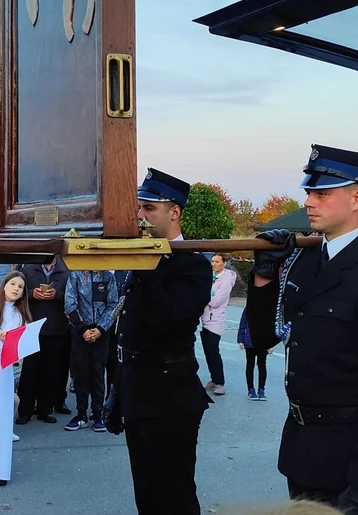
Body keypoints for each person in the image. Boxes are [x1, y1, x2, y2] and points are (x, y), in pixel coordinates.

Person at [252, 145, 358, 515]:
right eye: (309, 192)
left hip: (356, 463)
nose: (310, 201)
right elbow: (266, 337)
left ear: (357, 197)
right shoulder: (305, 261)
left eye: (322, 193)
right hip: (304, 453)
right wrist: (265, 277)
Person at [105, 168, 212, 515]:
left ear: (174, 211)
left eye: (149, 208)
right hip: (138, 389)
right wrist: (119, 388)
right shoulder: (144, 258)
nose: (141, 216)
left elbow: (165, 318)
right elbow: (129, 330)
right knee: (147, 493)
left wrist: (145, 263)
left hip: (171, 398)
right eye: (140, 208)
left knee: (174, 496)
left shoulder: (192, 264)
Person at [0, 271, 31, 485]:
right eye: (13, 284)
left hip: (4, 369)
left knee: (1, 416)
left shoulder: (21, 316)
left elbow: (21, 347)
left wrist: (10, 340)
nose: (15, 289)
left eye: (20, 287)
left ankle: (1, 470)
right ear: (4, 285)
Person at [16, 256, 71, 424]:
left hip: (57, 327)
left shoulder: (67, 270)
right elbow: (19, 296)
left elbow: (72, 296)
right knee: (29, 372)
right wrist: (32, 293)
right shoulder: (27, 269)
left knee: (51, 371)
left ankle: (45, 410)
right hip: (33, 327)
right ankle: (25, 411)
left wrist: (57, 294)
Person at [64, 268, 118, 432]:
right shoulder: (76, 275)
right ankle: (81, 415)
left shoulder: (108, 277)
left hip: (101, 332)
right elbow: (69, 303)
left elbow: (113, 304)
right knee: (81, 373)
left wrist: (101, 328)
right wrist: (82, 329)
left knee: (98, 372)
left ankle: (98, 414)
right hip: (80, 331)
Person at [201, 253, 237, 396]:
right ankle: (214, 378)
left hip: (215, 319)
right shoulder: (211, 276)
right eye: (212, 261)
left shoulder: (226, 280)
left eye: (217, 262)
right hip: (204, 319)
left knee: (213, 351)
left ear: (224, 263)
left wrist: (203, 293)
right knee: (208, 352)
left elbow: (215, 302)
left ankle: (220, 382)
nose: (213, 264)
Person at [236, 306, 273, 401]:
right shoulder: (248, 308)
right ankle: (251, 390)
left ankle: (261, 390)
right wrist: (240, 339)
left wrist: (271, 343)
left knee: (262, 365)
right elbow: (242, 323)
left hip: (263, 342)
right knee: (250, 365)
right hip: (249, 341)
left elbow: (271, 326)